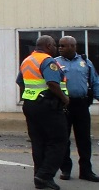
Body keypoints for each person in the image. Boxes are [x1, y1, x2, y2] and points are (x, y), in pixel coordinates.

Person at [16, 35, 69, 190]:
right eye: (54, 45)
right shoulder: (48, 61)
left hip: (30, 105)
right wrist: (64, 98)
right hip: (48, 106)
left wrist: (32, 95)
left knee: (39, 142)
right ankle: (45, 175)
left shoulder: (27, 60)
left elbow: (20, 82)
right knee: (59, 140)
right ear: (48, 45)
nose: (56, 48)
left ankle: (39, 176)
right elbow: (52, 83)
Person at [55, 36, 99, 182]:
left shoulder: (85, 62)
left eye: (63, 46)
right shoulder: (55, 62)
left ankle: (86, 171)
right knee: (63, 139)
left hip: (81, 105)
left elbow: (94, 81)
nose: (59, 48)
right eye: (59, 45)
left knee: (84, 139)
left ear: (73, 47)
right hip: (63, 105)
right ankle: (66, 169)